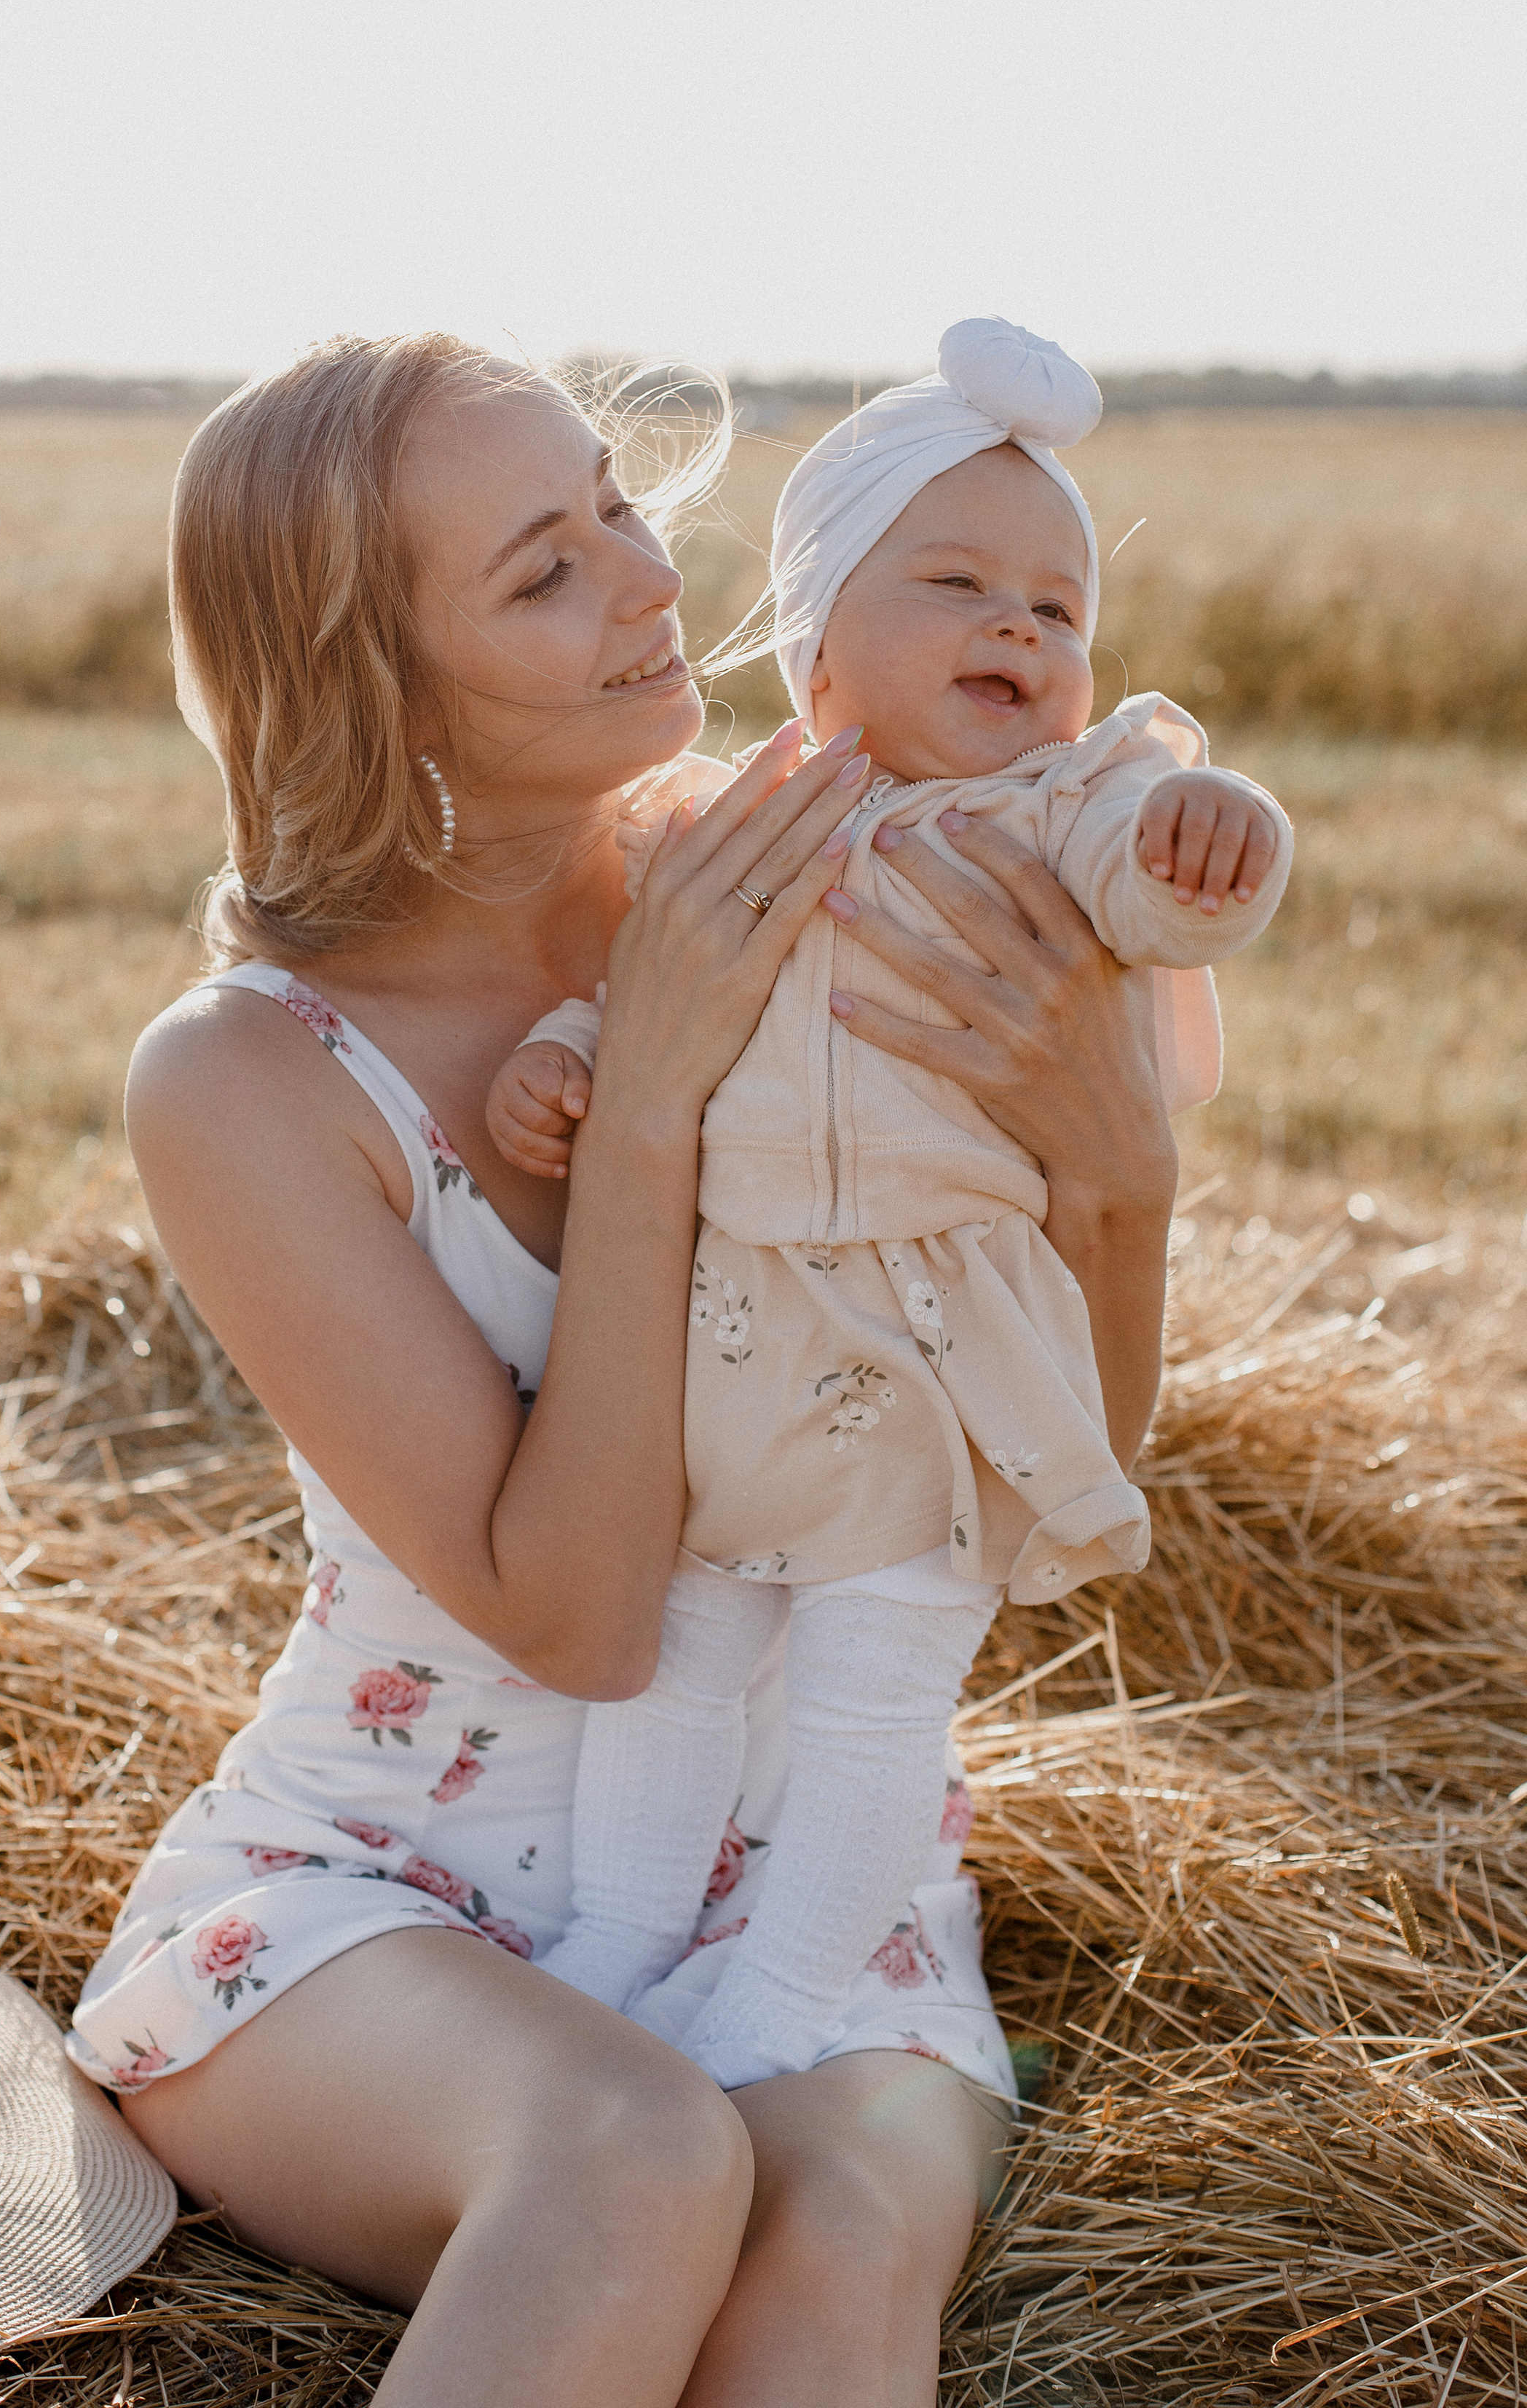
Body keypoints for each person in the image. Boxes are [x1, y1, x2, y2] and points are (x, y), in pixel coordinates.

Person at [66, 331, 1180, 2408]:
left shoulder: (832, 867)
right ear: (378, 688)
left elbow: (1038, 1492)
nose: (657, 583)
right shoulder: (250, 1077)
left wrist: (1124, 1185)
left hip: (821, 1888)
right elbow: (576, 1621)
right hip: (382, 1905)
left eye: (617, 506)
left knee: (830, 2257)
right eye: (541, 571)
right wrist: (653, 1088)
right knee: (634, 2159)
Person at [486, 320, 1290, 2093]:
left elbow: (1156, 893)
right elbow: (644, 985)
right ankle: (613, 1944)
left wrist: (1209, 842)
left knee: (873, 1693)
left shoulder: (1064, 806)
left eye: (1056, 610)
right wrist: (561, 1061)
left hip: (941, 1354)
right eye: (954, 583)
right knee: (676, 1660)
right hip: (738, 1338)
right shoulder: (716, 816)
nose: (1019, 628)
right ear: (815, 639)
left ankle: (781, 1993)